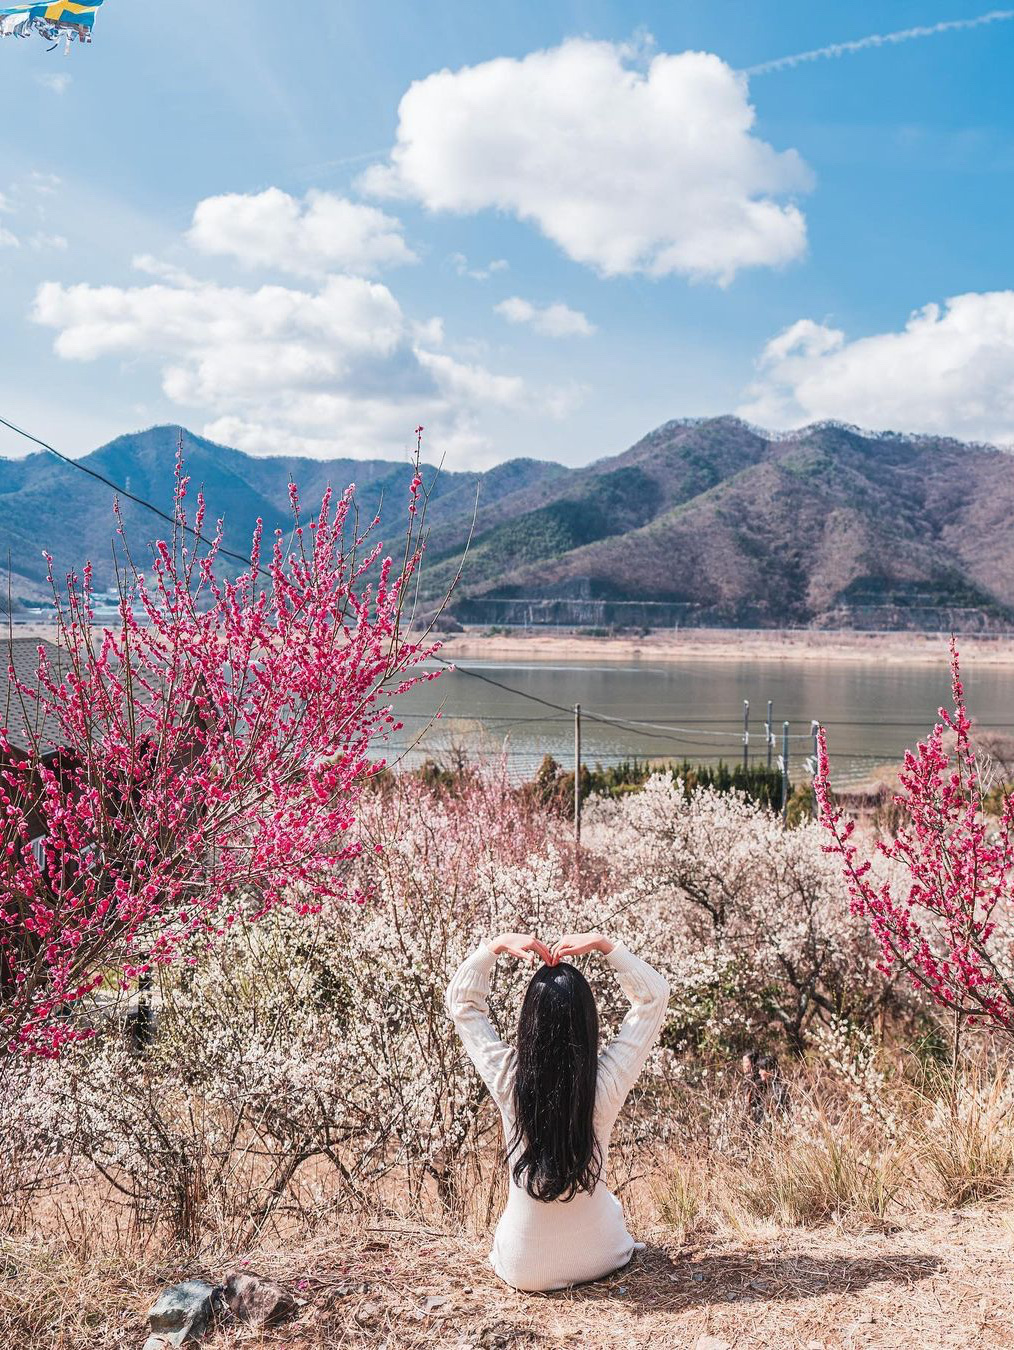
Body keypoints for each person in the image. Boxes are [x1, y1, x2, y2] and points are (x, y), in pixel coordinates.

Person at [445, 929, 670, 1293]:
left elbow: (462, 1004)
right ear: (587, 1022)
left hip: (524, 1268)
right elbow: (654, 997)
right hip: (604, 1255)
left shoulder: (509, 1081)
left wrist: (495, 946)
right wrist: (604, 944)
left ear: (528, 1024)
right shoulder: (605, 1083)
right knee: (609, 1204)